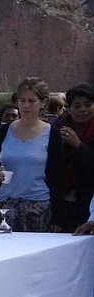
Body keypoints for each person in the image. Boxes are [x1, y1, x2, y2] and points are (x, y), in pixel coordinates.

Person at [0, 78, 63, 232]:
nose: (26, 105)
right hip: (5, 204)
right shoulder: (4, 131)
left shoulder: (52, 134)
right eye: (22, 100)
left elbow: (57, 176)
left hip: (38, 205)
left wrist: (58, 215)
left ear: (42, 103)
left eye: (31, 101)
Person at [53, 85, 94, 232]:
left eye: (88, 105)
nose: (83, 110)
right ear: (68, 109)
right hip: (63, 197)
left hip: (89, 197)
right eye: (77, 106)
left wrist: (79, 146)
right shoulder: (57, 127)